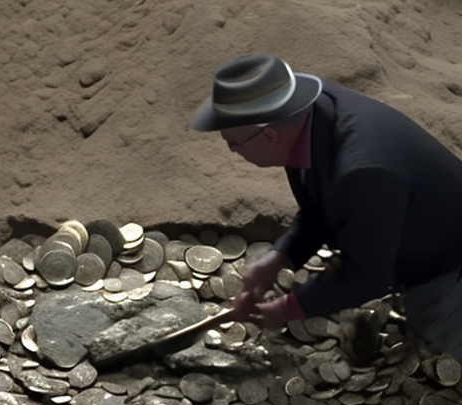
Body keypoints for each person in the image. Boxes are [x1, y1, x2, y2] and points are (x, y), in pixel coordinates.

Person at [190, 52, 462, 363]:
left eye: (234, 143)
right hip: (417, 229)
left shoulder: (361, 171)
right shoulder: (310, 117)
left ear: (269, 135)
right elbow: (320, 204)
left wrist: (287, 309)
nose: (233, 151)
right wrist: (278, 259)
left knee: (439, 321)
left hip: (451, 266)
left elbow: (367, 278)